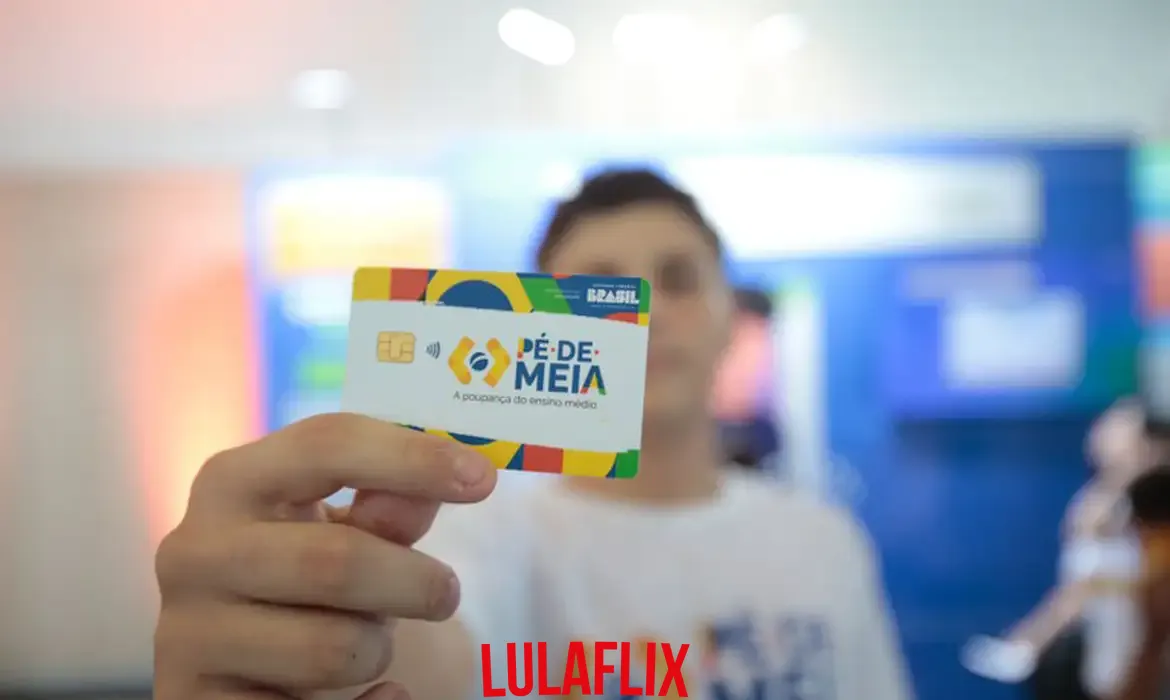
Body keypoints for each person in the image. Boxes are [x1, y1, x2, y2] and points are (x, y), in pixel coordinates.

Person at [154, 168, 912, 700]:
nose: (646, 312)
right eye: (603, 288)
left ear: (730, 318)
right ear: (545, 326)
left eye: (679, 279)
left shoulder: (822, 540)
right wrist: (324, 616)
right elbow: (436, 658)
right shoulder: (482, 532)